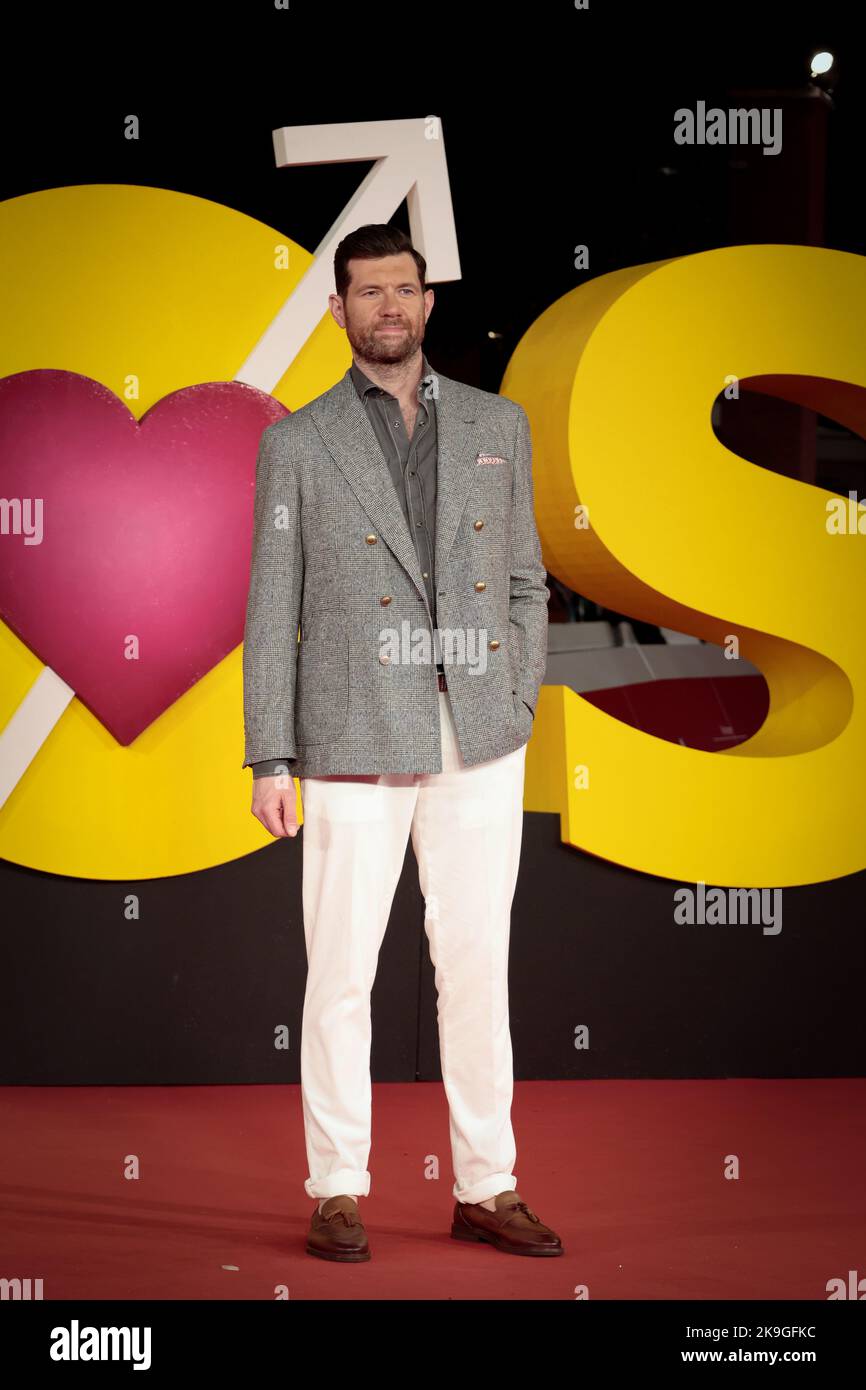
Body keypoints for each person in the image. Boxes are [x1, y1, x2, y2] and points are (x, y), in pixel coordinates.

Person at [242, 223, 561, 1261]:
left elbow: (522, 579)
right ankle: (337, 1186)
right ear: (337, 310)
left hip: (478, 730)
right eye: (366, 290)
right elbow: (270, 605)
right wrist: (269, 754)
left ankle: (487, 1184)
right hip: (344, 731)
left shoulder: (496, 425)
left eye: (403, 288)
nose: (387, 305)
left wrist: (512, 695)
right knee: (338, 972)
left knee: (477, 965)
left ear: (427, 302)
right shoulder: (295, 441)